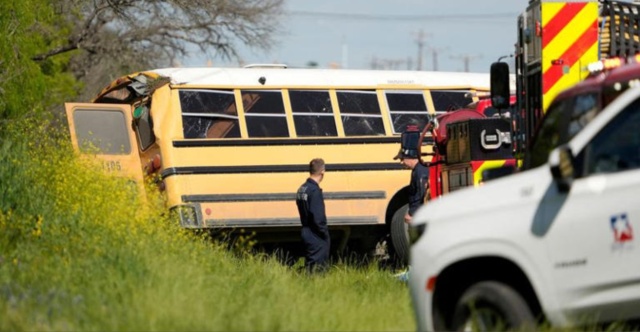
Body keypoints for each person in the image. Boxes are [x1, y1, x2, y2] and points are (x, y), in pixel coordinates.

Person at [296, 158, 330, 273]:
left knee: (310, 266)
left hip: (305, 230)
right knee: (317, 270)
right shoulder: (314, 191)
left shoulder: (302, 189)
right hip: (316, 235)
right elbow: (318, 218)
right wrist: (324, 233)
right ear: (322, 172)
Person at [394, 146, 430, 224]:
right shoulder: (417, 170)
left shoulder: (420, 171)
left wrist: (413, 213)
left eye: (402, 159)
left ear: (409, 157)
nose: (401, 162)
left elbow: (421, 194)